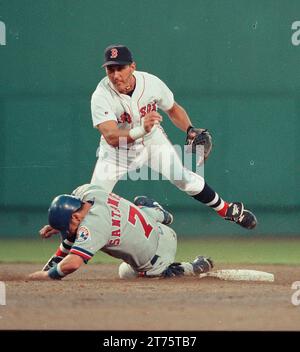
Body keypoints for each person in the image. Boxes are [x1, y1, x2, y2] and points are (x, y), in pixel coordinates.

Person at [42, 44, 257, 271]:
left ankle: (227, 209)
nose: (115, 74)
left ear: (132, 67)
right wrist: (141, 130)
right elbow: (112, 137)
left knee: (182, 178)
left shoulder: (151, 83)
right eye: (110, 69)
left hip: (153, 144)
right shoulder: (101, 95)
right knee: (93, 204)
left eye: (120, 68)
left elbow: (173, 109)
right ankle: (57, 259)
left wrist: (190, 129)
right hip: (116, 154)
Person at [29, 184, 214, 280]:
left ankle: (193, 266)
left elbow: (73, 263)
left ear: (76, 218)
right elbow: (72, 223)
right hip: (159, 229)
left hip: (159, 256)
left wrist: (47, 275)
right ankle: (160, 213)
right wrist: (59, 222)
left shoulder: (93, 225)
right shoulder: (87, 191)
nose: (64, 231)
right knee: (133, 208)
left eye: (65, 226)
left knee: (126, 273)